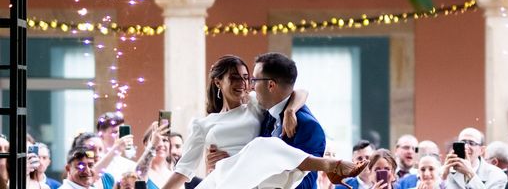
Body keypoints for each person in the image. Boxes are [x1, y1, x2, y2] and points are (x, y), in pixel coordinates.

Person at [161, 54, 366, 189]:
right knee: (263, 146)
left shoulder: (255, 105)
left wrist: (290, 111)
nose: (243, 84)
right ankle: (331, 165)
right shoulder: (203, 124)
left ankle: (332, 165)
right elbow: (183, 171)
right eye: (234, 78)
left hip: (263, 180)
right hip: (227, 180)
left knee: (264, 146)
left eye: (246, 78)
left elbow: (297, 91)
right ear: (217, 82)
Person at [442, 127, 508, 189]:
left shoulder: (497, 175)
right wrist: (443, 177)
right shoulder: (445, 171)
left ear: (481, 150)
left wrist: (470, 174)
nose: (466, 147)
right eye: (462, 143)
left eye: (471, 143)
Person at [96, 113, 136, 180]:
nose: (119, 136)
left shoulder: (130, 165)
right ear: (101, 134)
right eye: (115, 132)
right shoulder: (95, 161)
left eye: (121, 132)